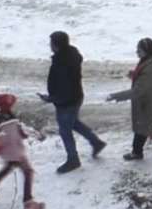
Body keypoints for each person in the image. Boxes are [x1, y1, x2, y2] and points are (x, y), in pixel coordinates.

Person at [39, 31, 106, 174]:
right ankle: (96, 142)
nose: (49, 45)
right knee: (74, 122)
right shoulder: (71, 54)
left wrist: (51, 98)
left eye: (51, 43)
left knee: (65, 131)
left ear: (56, 45)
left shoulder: (61, 62)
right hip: (75, 97)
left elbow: (64, 88)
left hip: (66, 101)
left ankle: (73, 160)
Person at [107, 38, 152, 160]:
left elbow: (138, 91)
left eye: (139, 50)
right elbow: (144, 81)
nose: (137, 52)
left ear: (146, 51)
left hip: (151, 105)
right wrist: (134, 75)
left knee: (142, 127)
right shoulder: (151, 61)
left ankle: (137, 152)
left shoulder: (150, 68)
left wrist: (116, 96)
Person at [0, 94, 45, 209]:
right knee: (28, 172)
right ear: (7, 105)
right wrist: (26, 134)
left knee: (8, 168)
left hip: (8, 151)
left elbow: (7, 135)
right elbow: (16, 135)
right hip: (15, 151)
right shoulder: (9, 120)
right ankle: (28, 203)